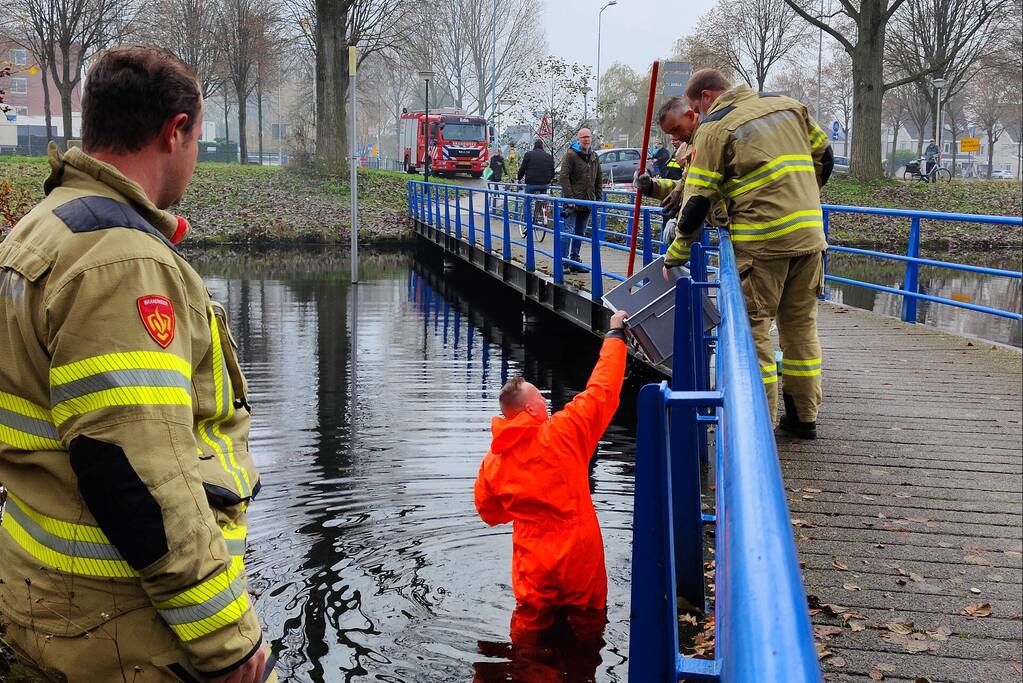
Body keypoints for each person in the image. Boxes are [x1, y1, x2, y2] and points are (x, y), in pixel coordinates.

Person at [0, 47, 274, 682]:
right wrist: (227, 641)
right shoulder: (121, 263)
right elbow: (141, 475)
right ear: (174, 131)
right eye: (197, 138)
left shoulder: (37, 233)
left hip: (44, 603)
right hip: (123, 633)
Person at [666, 68, 834, 439]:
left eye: (696, 108)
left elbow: (697, 201)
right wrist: (802, 196)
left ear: (706, 97)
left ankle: (760, 428)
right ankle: (803, 418)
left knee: (754, 332)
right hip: (809, 236)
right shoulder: (788, 106)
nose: (698, 115)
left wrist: (676, 253)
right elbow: (826, 156)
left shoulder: (715, 126)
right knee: (801, 328)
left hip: (762, 244)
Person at [474, 310, 629, 645]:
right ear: (530, 409)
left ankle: (528, 667)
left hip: (533, 559)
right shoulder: (565, 432)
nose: (545, 402)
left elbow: (489, 513)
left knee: (530, 627)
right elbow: (602, 389)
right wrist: (615, 336)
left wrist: (526, 509)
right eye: (540, 399)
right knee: (588, 626)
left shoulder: (493, 462)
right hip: (578, 554)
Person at [559, 128, 602, 273]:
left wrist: (599, 199)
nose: (586, 139)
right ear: (578, 139)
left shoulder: (594, 156)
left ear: (591, 138)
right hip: (573, 202)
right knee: (568, 231)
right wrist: (570, 198)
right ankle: (563, 262)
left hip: (588, 201)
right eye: (583, 137)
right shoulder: (570, 155)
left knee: (580, 232)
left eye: (588, 137)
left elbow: (598, 179)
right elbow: (563, 177)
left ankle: (574, 260)